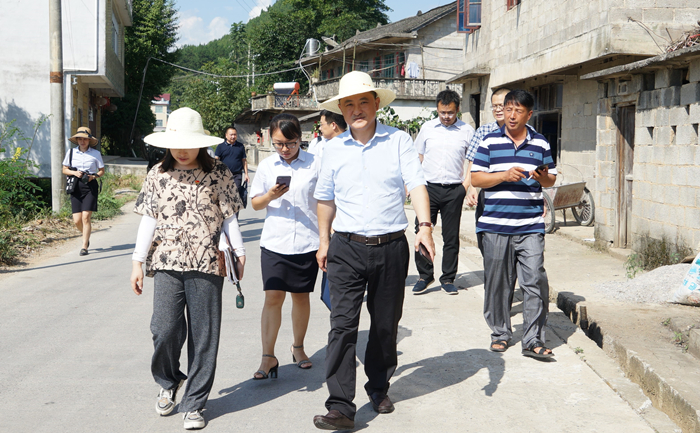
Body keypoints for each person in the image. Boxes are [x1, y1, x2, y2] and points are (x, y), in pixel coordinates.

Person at [312, 71, 435, 431]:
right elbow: (325, 199)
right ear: (341, 110)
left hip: (391, 246)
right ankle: (340, 406)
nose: (356, 109)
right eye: (348, 104)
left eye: (363, 101)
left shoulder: (398, 141)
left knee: (384, 325)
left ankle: (378, 387)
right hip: (346, 247)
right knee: (342, 326)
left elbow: (417, 184)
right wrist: (323, 240)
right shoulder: (332, 149)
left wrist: (425, 227)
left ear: (376, 103)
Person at [129, 107, 246, 430]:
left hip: (207, 261)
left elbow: (229, 216)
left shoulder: (219, 172)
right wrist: (137, 262)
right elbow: (148, 219)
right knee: (163, 329)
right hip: (166, 262)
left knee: (204, 335)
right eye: (175, 144)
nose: (181, 151)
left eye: (188, 144)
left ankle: (195, 403)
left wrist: (239, 250)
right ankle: (168, 381)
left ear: (201, 143)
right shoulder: (157, 174)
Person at [470, 90, 557, 358]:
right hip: (495, 225)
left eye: (518, 110)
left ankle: (532, 339)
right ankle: (500, 333)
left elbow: (551, 180)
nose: (511, 115)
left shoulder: (541, 144)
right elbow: (476, 179)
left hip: (530, 226)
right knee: (499, 283)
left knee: (534, 280)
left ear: (529, 114)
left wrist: (543, 177)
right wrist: (504, 175)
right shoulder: (488, 142)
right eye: (508, 109)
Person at [249, 113, 321, 379]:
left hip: (307, 241)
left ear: (300, 139)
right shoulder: (267, 166)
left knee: (301, 297)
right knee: (273, 298)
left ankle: (298, 348)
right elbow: (255, 203)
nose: (285, 149)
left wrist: (327, 238)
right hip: (275, 243)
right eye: (279, 143)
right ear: (271, 139)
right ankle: (268, 356)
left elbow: (326, 201)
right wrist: (270, 195)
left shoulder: (315, 163)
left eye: (290, 143)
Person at [411, 89, 475, 296]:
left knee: (451, 237)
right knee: (422, 230)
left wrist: (465, 186)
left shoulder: (466, 130)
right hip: (428, 189)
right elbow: (418, 157)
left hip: (454, 190)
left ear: (457, 110)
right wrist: (413, 185)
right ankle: (424, 276)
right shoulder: (427, 128)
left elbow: (473, 160)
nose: (446, 117)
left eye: (450, 113)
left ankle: (448, 278)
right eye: (442, 113)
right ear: (437, 110)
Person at [465, 88, 510, 255]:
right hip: (488, 191)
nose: (498, 109)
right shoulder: (483, 132)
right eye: (494, 106)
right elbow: (473, 162)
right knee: (485, 236)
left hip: (513, 194)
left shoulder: (523, 131)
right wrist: (472, 188)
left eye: (502, 105)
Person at [62, 127, 105, 256]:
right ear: (77, 140)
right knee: (77, 220)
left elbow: (101, 170)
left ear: (89, 140)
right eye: (80, 139)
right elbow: (64, 169)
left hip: (90, 186)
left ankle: (84, 246)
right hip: (75, 186)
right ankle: (85, 235)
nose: (82, 141)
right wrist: (74, 172)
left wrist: (94, 176)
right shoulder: (71, 153)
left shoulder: (95, 154)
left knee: (86, 217)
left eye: (85, 139)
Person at [215, 126, 249, 206]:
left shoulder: (240, 146)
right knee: (225, 194)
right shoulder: (220, 147)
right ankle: (227, 213)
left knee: (235, 193)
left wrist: (246, 174)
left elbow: (244, 161)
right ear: (226, 135)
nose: (233, 136)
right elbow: (216, 160)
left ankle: (235, 216)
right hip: (224, 175)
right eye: (231, 134)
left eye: (235, 134)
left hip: (237, 174)